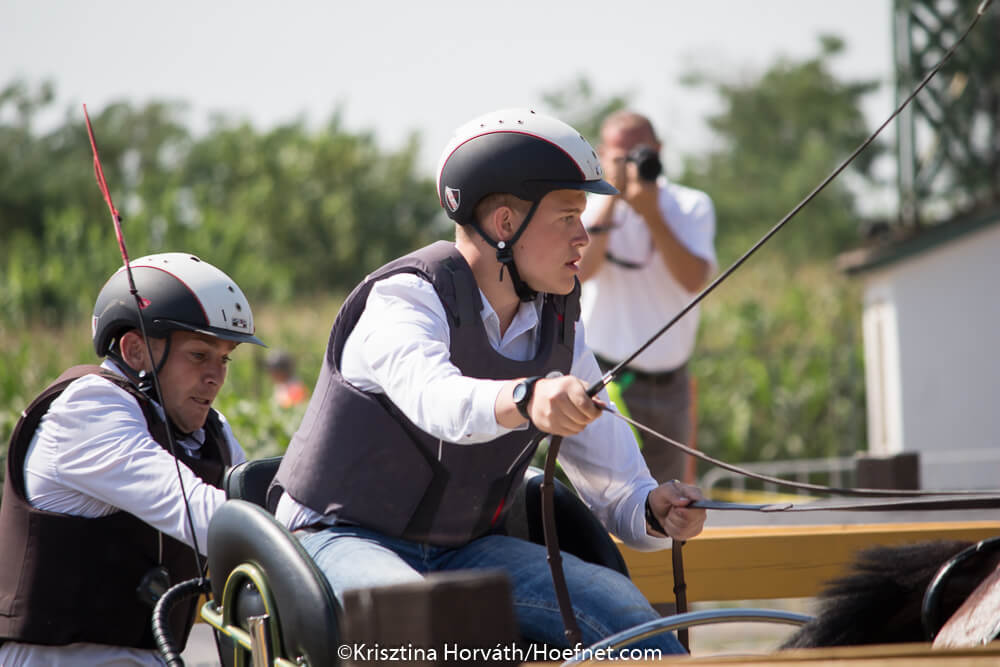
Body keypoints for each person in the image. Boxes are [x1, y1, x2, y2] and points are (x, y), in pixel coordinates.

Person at [271, 108, 707, 654]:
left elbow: (615, 479)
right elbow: (437, 398)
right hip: (338, 537)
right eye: (568, 217)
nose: (583, 238)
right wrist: (527, 397)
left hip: (464, 550)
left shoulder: (560, 324)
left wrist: (654, 509)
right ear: (505, 224)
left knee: (631, 621)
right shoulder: (404, 298)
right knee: (431, 626)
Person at [0, 252, 265, 666]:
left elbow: (258, 512)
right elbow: (212, 516)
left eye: (224, 358)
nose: (215, 376)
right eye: (199, 355)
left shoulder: (211, 433)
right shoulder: (89, 407)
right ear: (136, 350)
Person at [578, 110, 717, 484]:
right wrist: (611, 201)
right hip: (606, 379)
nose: (630, 164)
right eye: (620, 156)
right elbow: (579, 273)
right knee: (601, 497)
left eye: (639, 154)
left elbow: (692, 279)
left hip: (670, 387)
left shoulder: (690, 205)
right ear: (602, 155)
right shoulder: (586, 208)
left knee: (664, 508)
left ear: (658, 151)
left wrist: (651, 214)